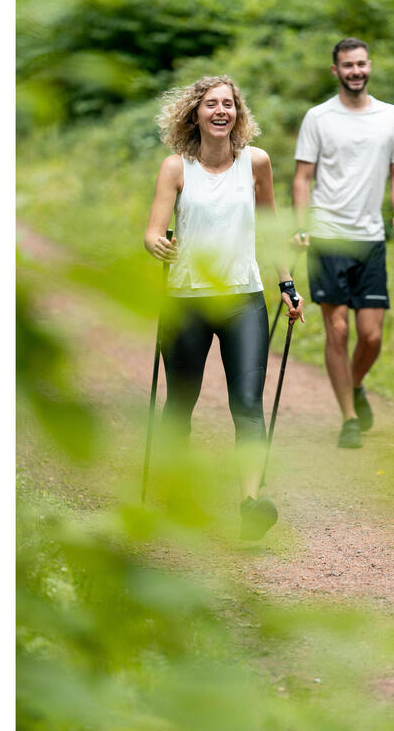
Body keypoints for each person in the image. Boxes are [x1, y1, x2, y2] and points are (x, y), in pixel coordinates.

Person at [144, 75, 303, 540]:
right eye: (211, 104)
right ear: (194, 113)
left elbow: (272, 229)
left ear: (238, 113)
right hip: (186, 299)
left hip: (242, 299)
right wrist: (158, 245)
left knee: (248, 405)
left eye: (228, 104)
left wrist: (287, 284)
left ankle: (251, 506)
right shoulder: (175, 168)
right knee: (180, 403)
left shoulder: (256, 163)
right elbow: (153, 230)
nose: (220, 111)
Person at [291, 38, 394, 449]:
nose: (355, 71)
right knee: (337, 329)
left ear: (369, 66)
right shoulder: (318, 118)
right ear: (335, 71)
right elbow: (303, 177)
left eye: (361, 64)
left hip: (370, 236)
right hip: (327, 233)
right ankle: (348, 419)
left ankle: (353, 386)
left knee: (372, 336)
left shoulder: (391, 117)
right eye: (347, 65)